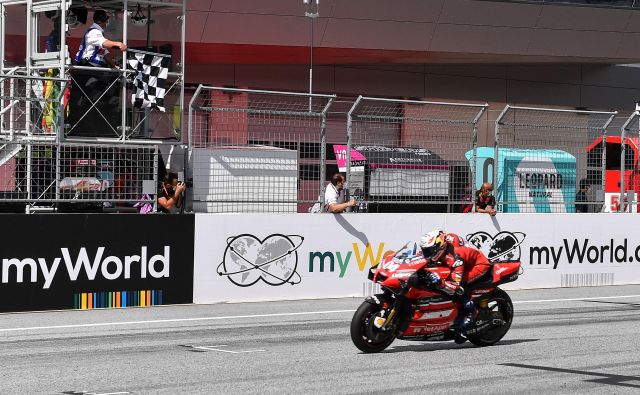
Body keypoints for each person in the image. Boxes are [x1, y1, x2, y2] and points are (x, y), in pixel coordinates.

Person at [418, 230, 492, 339]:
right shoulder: (443, 242)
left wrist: (440, 282)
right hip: (466, 258)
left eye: (429, 251)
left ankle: (471, 313)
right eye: (425, 251)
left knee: (461, 288)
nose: (426, 254)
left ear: (439, 247)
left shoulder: (456, 258)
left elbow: (455, 286)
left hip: (478, 265)